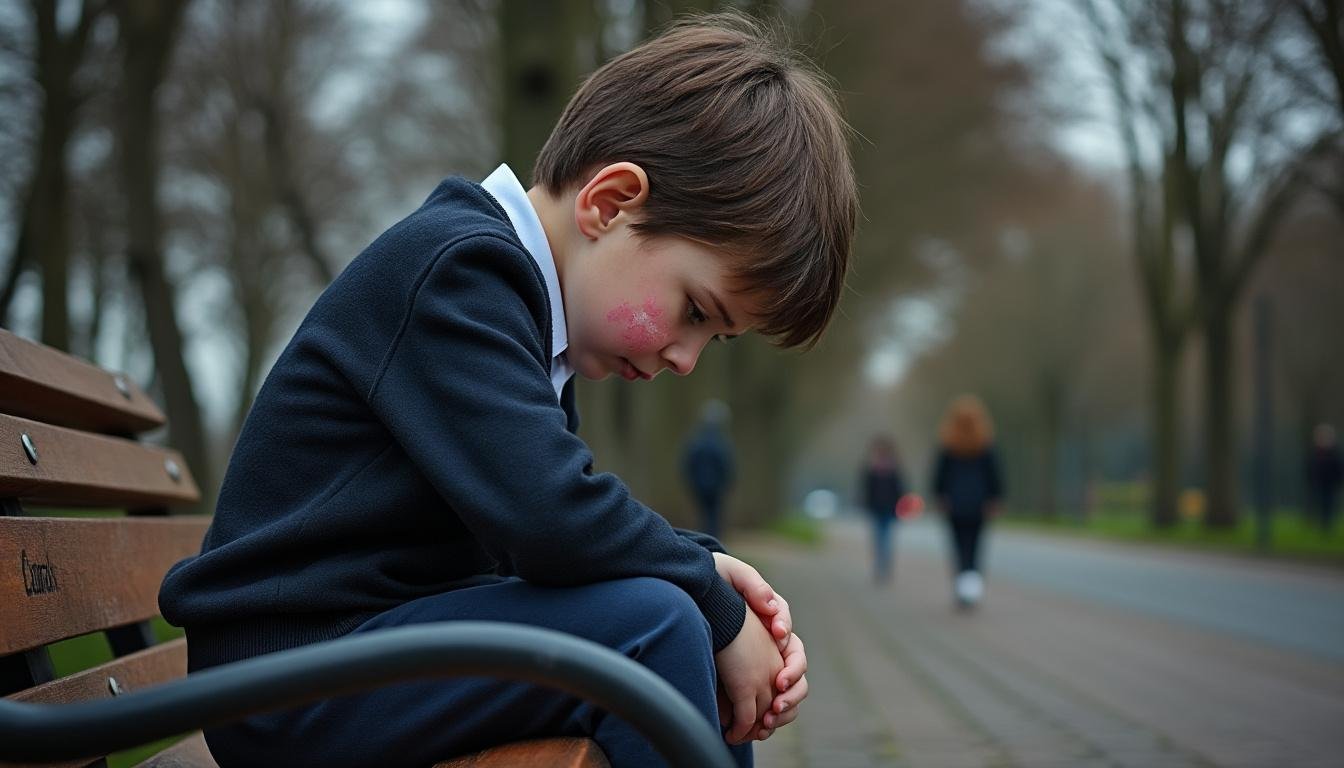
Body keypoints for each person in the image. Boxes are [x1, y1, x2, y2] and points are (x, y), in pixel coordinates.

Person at [157, 13, 855, 768]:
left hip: (353, 653)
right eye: (694, 311)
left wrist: (700, 573)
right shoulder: (458, 276)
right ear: (610, 203)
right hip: (284, 680)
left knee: (667, 616)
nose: (686, 361)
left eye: (713, 338)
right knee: (655, 628)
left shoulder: (524, 312)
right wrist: (706, 593)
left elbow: (539, 535)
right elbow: (548, 517)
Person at [931, 395, 1002, 610]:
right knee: (975, 547)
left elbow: (939, 475)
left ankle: (963, 589)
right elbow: (994, 475)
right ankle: (971, 589)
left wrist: (940, 496)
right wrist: (995, 498)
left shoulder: (948, 446)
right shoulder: (985, 445)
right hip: (979, 504)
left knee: (959, 547)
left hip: (955, 504)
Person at [683, 400, 736, 541]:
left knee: (703, 513)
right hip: (716, 486)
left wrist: (691, 481)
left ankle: (704, 538)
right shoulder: (721, 442)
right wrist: (727, 482)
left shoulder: (696, 441)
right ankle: (713, 539)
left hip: (699, 484)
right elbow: (726, 465)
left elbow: (687, 463)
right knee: (714, 514)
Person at [859, 435, 906, 584]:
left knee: (885, 539)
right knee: (879, 539)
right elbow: (866, 491)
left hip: (889, 510)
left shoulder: (892, 469)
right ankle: (880, 567)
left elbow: (899, 491)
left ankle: (883, 567)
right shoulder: (872, 470)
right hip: (876, 509)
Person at [1307, 423, 1343, 534]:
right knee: (1318, 503)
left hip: (1330, 484)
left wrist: (1338, 481)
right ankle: (1318, 523)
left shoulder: (1334, 453)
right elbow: (1311, 468)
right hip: (1318, 483)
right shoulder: (1315, 452)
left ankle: (1326, 524)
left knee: (1328, 504)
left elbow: (1338, 468)